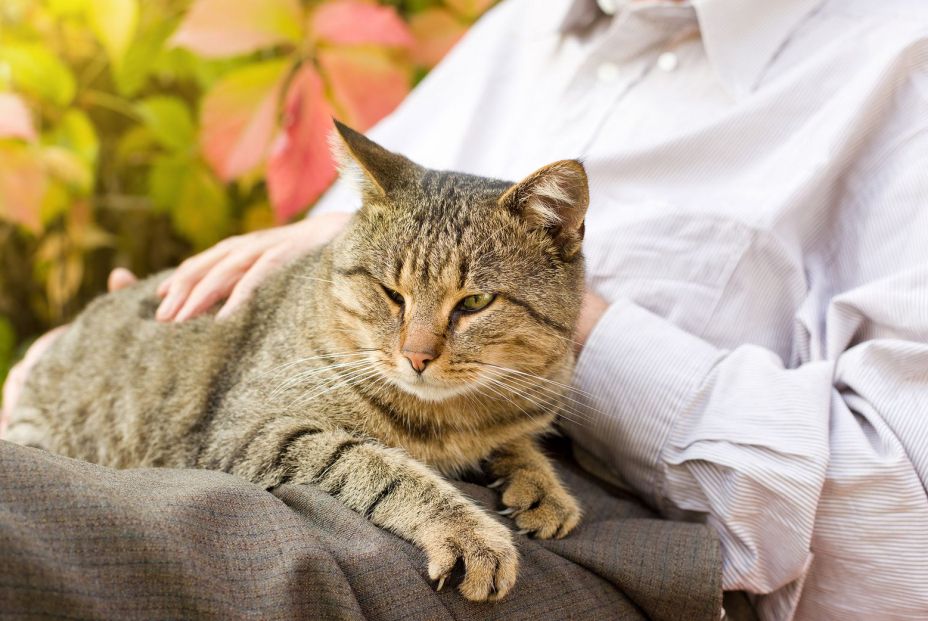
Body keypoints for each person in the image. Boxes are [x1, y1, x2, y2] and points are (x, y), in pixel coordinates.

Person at [4, 0, 928, 618]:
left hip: (559, 543)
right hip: (268, 442)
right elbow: (354, 254)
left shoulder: (899, 59)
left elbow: (902, 542)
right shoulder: (523, 25)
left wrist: (577, 333)